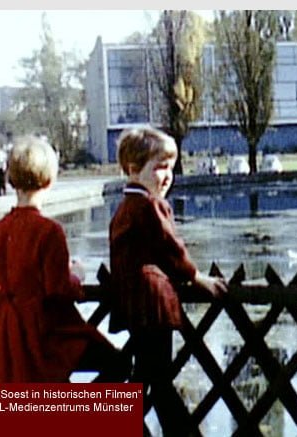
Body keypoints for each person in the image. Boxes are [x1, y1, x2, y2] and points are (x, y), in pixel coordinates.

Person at [0, 135, 127, 383]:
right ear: (50, 180)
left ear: (10, 181)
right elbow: (58, 290)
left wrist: (7, 285)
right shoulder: (49, 230)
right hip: (43, 330)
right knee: (117, 363)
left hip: (6, 329)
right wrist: (75, 275)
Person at [108, 126, 228, 434]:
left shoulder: (122, 209)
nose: (167, 176)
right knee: (158, 377)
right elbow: (171, 247)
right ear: (133, 169)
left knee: (147, 373)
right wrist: (195, 276)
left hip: (132, 303)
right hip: (153, 303)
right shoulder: (150, 205)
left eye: (170, 169)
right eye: (160, 167)